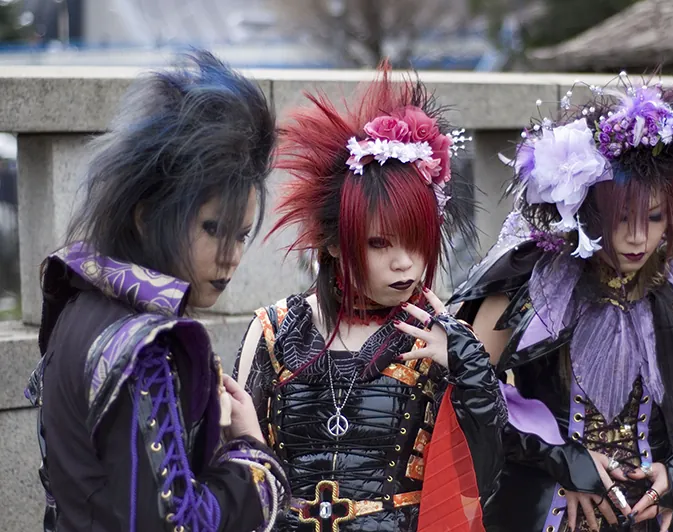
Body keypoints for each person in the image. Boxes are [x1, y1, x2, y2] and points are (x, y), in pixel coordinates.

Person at [450, 74, 673, 531]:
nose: (638, 237)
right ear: (586, 210)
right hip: (547, 510)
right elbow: (467, 394)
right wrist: (560, 459)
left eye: (654, 217)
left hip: (651, 516)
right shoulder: (531, 286)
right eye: (621, 217)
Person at [232, 63, 505, 531]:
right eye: (380, 243)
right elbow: (236, 473)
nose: (405, 264)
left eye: (418, 242)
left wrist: (470, 369)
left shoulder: (442, 339)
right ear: (334, 243)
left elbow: (484, 483)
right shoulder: (272, 333)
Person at [25, 50, 290, 532]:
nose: (231, 256)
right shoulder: (142, 348)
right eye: (213, 229)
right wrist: (253, 461)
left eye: (241, 235)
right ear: (147, 217)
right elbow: (175, 521)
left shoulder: (83, 300)